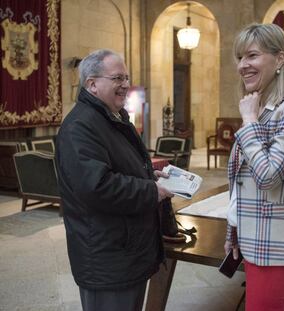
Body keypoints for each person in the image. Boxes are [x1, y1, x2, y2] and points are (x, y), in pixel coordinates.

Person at [55, 49, 173, 311]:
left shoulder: (112, 118)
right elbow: (97, 187)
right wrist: (152, 191)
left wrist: (147, 176)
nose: (126, 85)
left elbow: (116, 168)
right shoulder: (80, 127)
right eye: (118, 78)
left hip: (126, 250)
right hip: (106, 257)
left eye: (126, 77)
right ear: (92, 84)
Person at [224, 24, 284, 311]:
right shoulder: (260, 108)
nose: (242, 65)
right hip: (256, 240)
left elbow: (268, 177)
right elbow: (243, 183)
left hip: (276, 247)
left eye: (252, 56)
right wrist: (234, 232)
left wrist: (249, 121)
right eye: (240, 58)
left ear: (279, 60)